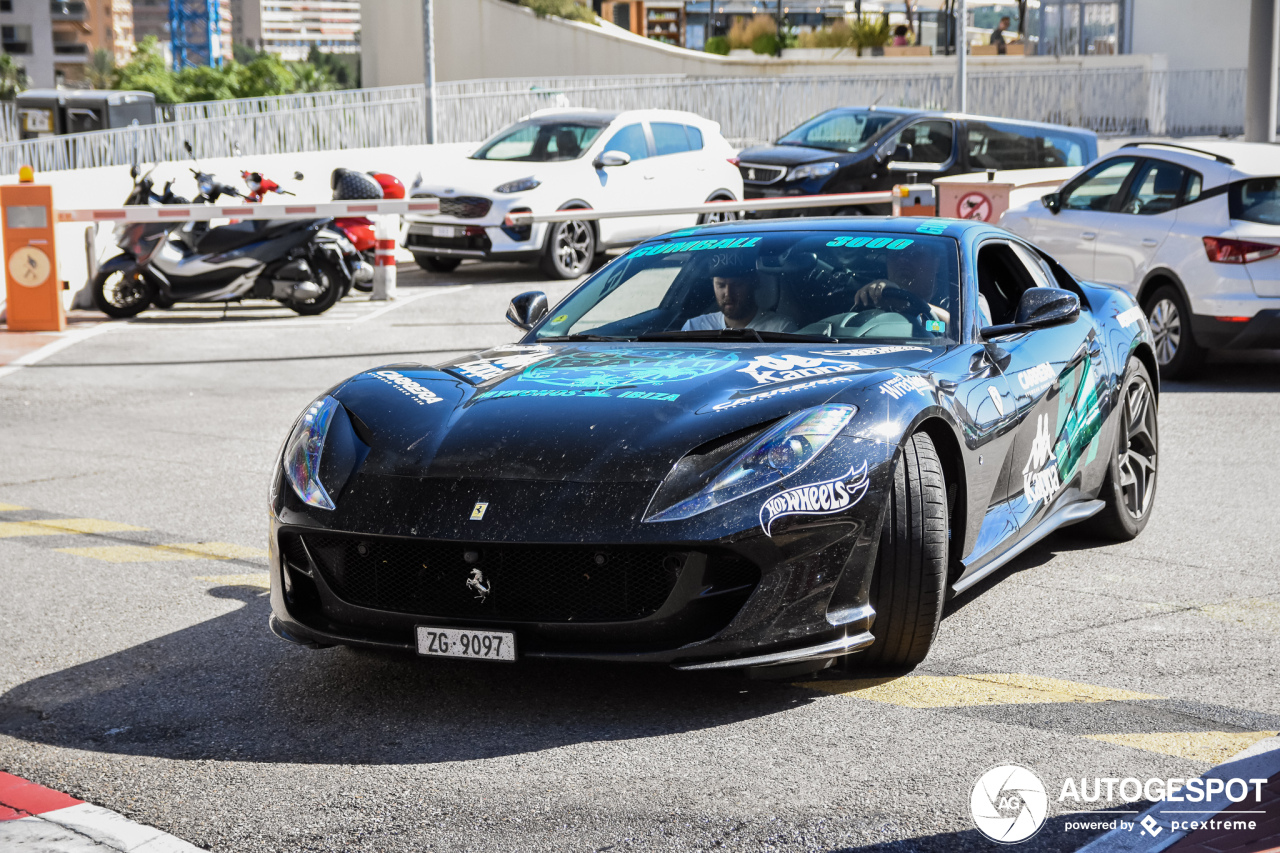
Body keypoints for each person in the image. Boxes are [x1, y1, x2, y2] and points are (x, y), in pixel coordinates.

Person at [849, 248, 992, 331]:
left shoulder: (966, 299)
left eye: (914, 254)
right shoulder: (873, 296)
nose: (902, 260)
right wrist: (867, 298)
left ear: (936, 263)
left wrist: (911, 304)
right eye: (895, 254)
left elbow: (974, 333)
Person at [682, 254, 797, 332]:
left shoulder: (780, 330)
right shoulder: (695, 328)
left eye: (737, 285)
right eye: (721, 285)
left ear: (754, 283)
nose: (728, 293)